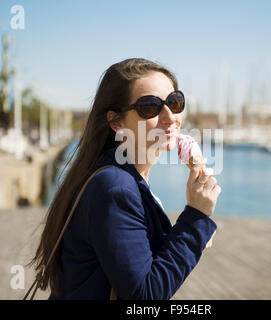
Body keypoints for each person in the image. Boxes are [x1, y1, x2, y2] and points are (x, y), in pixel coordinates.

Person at [29, 58, 221, 300]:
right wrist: (195, 219)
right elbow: (144, 295)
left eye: (174, 102)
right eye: (150, 107)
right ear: (116, 121)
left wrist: (195, 231)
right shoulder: (114, 187)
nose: (170, 116)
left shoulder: (127, 179)